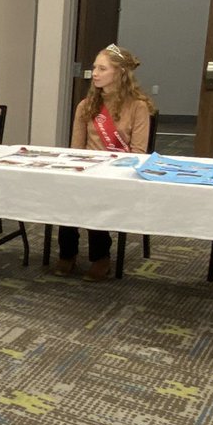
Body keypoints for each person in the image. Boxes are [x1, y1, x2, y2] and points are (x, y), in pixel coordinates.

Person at [53, 44, 155, 280]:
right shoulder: (86, 106)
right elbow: (76, 149)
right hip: (88, 169)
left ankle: (101, 258)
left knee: (94, 197)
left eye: (102, 68)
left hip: (119, 174)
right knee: (66, 193)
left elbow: (139, 152)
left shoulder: (138, 107)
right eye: (94, 68)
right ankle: (67, 254)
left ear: (120, 73)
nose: (95, 73)